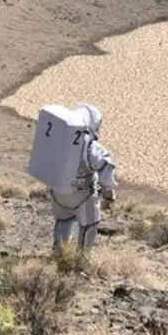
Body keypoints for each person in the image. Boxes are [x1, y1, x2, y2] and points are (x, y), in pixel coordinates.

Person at [49, 102, 117, 255]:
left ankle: (59, 253)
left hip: (57, 190)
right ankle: (82, 256)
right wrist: (108, 190)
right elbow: (105, 168)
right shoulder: (90, 145)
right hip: (82, 193)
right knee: (90, 223)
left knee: (64, 221)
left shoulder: (58, 139)